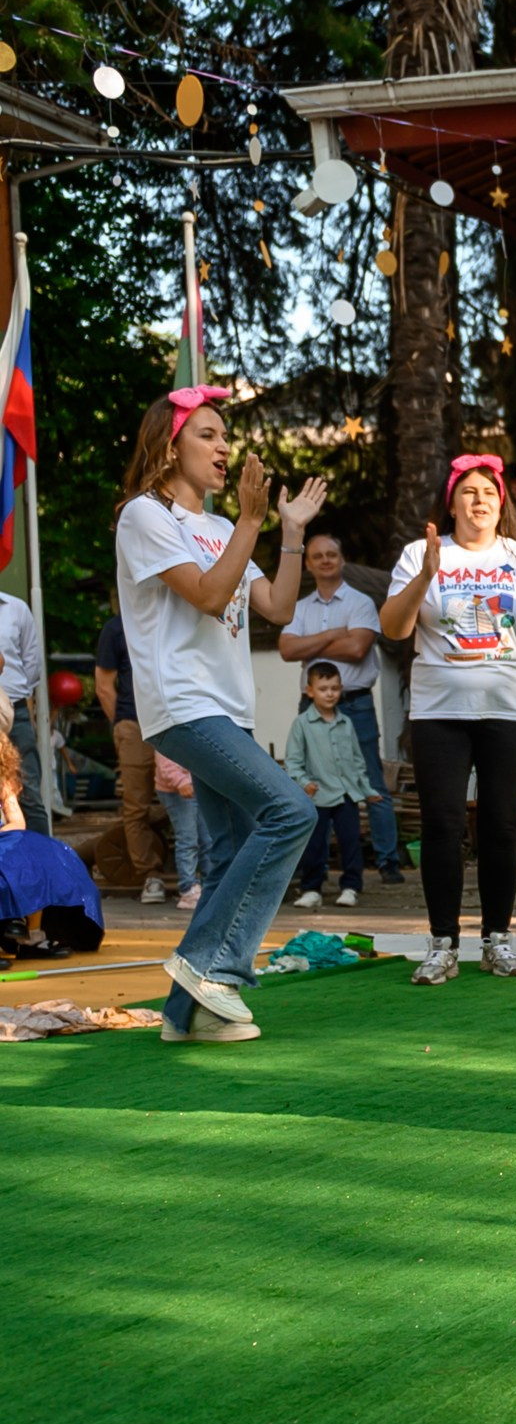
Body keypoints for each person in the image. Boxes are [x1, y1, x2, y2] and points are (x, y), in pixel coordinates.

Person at [114, 384, 327, 1043]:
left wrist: (288, 531)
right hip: (182, 703)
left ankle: (184, 1017)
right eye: (207, 433)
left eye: (224, 435)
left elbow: (279, 608)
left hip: (226, 709)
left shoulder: (216, 528)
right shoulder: (145, 517)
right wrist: (252, 521)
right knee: (291, 811)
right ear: (168, 444)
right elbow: (210, 596)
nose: (223, 445)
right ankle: (213, 965)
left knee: (232, 849)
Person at [381, 454, 516, 984]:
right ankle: (442, 944)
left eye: (488, 490)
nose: (479, 499)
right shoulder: (422, 552)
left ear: (501, 502)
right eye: (468, 491)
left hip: (509, 708)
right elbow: (394, 628)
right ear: (452, 502)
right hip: (439, 710)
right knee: (442, 824)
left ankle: (498, 940)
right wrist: (425, 577)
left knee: (500, 825)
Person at [279, 532, 402, 883]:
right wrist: (336, 634)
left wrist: (311, 646)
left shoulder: (361, 602)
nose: (325, 560)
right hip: (311, 706)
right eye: (317, 556)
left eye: (331, 554)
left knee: (370, 780)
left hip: (356, 704)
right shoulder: (299, 607)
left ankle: (388, 862)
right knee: (307, 781)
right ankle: (310, 866)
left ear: (342, 559)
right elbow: (287, 650)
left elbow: (357, 649)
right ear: (308, 564)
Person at [94, 608, 173, 902]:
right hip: (134, 723)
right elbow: (103, 687)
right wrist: (124, 726)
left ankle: (195, 876)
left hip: (176, 719)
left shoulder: (172, 617)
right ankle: (150, 875)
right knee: (136, 804)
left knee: (189, 797)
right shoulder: (116, 628)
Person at [287, 660, 377, 910]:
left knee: (351, 841)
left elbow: (357, 760)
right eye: (324, 688)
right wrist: (304, 782)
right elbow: (293, 762)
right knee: (315, 845)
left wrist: (367, 790)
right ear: (310, 691)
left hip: (346, 793)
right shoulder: (302, 724)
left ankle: (350, 887)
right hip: (317, 794)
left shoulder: (346, 723)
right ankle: (311, 888)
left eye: (335, 688)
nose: (330, 693)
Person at [0, 734, 100, 960]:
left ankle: (31, 935)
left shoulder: (3, 783)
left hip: (3, 839)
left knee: (39, 858)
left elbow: (17, 821)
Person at [0, 586, 46, 836]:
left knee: (29, 792)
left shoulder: (16, 608)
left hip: (13, 711)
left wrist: (9, 696)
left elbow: (32, 664)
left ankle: (43, 865)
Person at [155, 748, 202, 910]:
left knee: (208, 839)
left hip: (197, 785)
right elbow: (164, 759)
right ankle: (187, 888)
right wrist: (181, 781)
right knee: (188, 838)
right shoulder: (169, 726)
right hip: (177, 789)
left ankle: (210, 885)